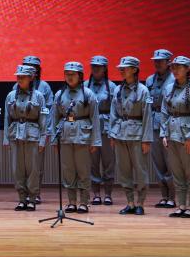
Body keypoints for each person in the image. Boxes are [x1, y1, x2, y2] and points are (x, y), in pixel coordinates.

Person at [50, 61, 100, 213]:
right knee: (68, 170)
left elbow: (95, 118)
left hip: (82, 136)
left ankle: (84, 201)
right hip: (65, 137)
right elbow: (54, 118)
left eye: (73, 74)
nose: (69, 77)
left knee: (83, 170)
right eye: (67, 74)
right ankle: (71, 201)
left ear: (80, 76)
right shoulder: (59, 94)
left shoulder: (88, 94)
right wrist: (54, 140)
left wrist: (95, 141)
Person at [110, 56, 153, 216]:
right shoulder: (117, 90)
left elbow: (147, 116)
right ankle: (130, 202)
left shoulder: (143, 90)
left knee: (140, 171)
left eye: (125, 68)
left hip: (137, 135)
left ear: (135, 70)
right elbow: (113, 114)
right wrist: (113, 134)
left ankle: (140, 202)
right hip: (120, 135)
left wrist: (146, 139)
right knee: (124, 171)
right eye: (120, 68)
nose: (121, 70)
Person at [161, 55, 190, 218]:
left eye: (179, 67)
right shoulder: (168, 88)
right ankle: (181, 205)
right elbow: (164, 112)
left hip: (186, 136)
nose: (175, 70)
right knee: (177, 173)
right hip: (172, 134)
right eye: (173, 67)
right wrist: (164, 133)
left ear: (187, 69)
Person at [4, 64, 48, 211]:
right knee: (17, 169)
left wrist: (43, 139)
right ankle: (22, 198)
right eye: (18, 77)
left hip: (32, 135)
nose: (20, 79)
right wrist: (6, 139)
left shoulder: (39, 96)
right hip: (15, 135)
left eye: (23, 77)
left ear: (31, 78)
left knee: (33, 169)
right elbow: (7, 118)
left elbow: (43, 120)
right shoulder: (11, 96)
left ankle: (32, 198)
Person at [146, 48, 176, 208]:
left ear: (168, 63)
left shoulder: (174, 79)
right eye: (155, 61)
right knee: (158, 163)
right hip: (153, 123)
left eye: (160, 61)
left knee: (170, 162)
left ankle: (172, 196)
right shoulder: (150, 80)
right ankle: (164, 195)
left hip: (168, 123)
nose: (157, 64)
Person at [87, 55, 118, 205]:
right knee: (93, 162)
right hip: (91, 128)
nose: (95, 69)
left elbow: (115, 111)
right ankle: (96, 193)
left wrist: (114, 132)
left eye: (98, 67)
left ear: (105, 69)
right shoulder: (85, 85)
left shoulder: (112, 87)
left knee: (108, 162)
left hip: (106, 128)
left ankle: (108, 193)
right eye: (93, 66)